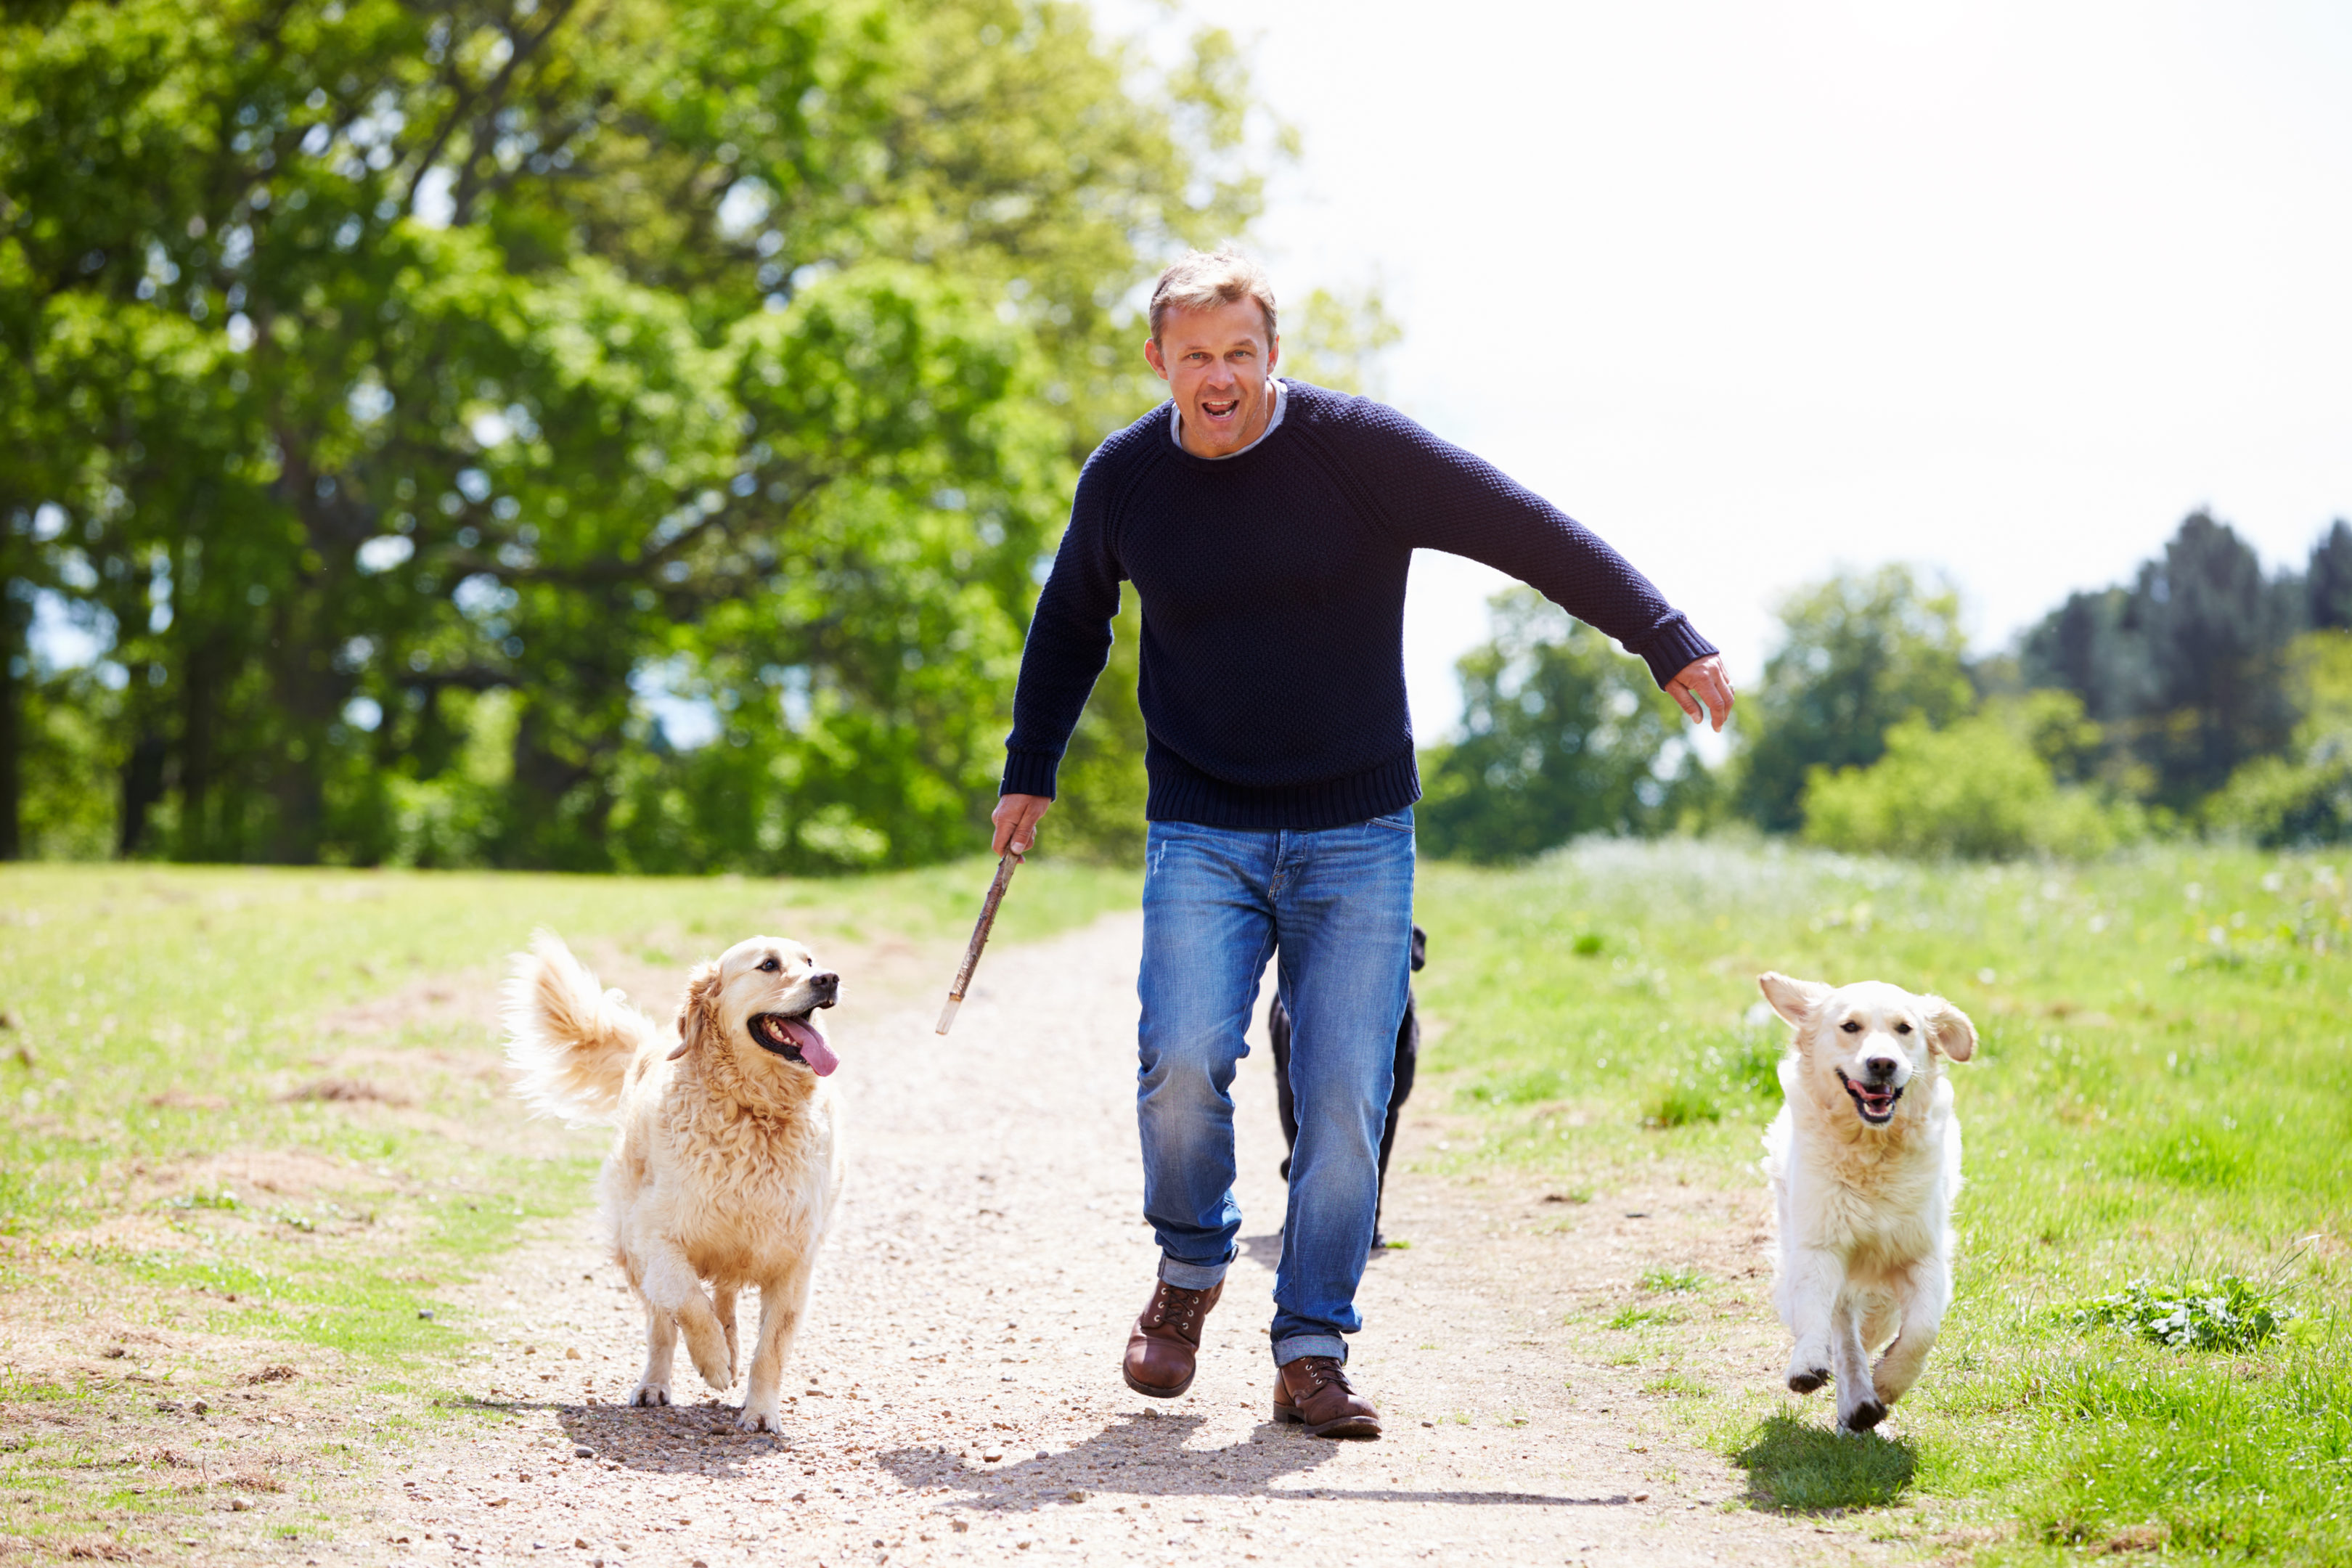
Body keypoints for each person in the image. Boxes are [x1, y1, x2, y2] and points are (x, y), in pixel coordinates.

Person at [989, 250, 1734, 1440]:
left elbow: (1518, 527)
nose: (1220, 377)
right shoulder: (1125, 479)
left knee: (1345, 1098)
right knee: (1180, 1064)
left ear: (1271, 352)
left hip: (1358, 830)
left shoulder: (1358, 452)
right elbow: (1071, 618)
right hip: (1203, 823)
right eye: (1196, 357)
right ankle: (1188, 1271)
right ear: (1159, 362)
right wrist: (1031, 770)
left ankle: (1312, 1348)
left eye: (1241, 352)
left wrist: (1661, 632)